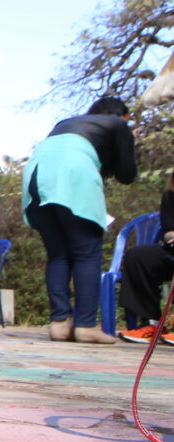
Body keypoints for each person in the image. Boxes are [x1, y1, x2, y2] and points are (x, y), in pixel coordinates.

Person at [23, 96, 137, 344]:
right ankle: (85, 324)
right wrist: (129, 142)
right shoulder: (118, 125)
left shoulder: (68, 123)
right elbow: (128, 175)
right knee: (86, 253)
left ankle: (59, 323)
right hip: (73, 172)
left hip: (35, 173)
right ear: (119, 116)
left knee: (58, 254)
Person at [119, 173, 174, 343]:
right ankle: (152, 323)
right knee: (138, 256)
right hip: (171, 250)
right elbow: (168, 231)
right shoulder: (170, 195)